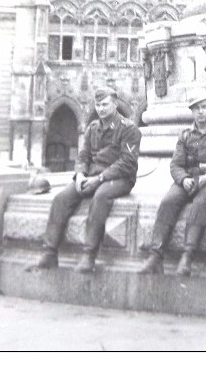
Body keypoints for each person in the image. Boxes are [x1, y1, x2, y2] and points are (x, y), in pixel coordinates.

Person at [27, 86, 141, 274]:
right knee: (61, 198)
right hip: (91, 176)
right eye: (98, 105)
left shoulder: (129, 129)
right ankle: (49, 253)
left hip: (119, 178)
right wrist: (80, 175)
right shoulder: (92, 128)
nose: (101, 109)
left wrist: (100, 179)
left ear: (115, 104)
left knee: (100, 197)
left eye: (105, 104)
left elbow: (127, 163)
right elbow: (83, 156)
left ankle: (89, 255)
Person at [137, 88, 206, 276]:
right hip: (189, 178)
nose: (200, 112)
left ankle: (187, 256)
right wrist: (183, 179)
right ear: (192, 111)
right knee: (168, 202)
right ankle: (155, 256)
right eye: (196, 108)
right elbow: (175, 165)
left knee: (200, 203)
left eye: (204, 107)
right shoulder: (186, 135)